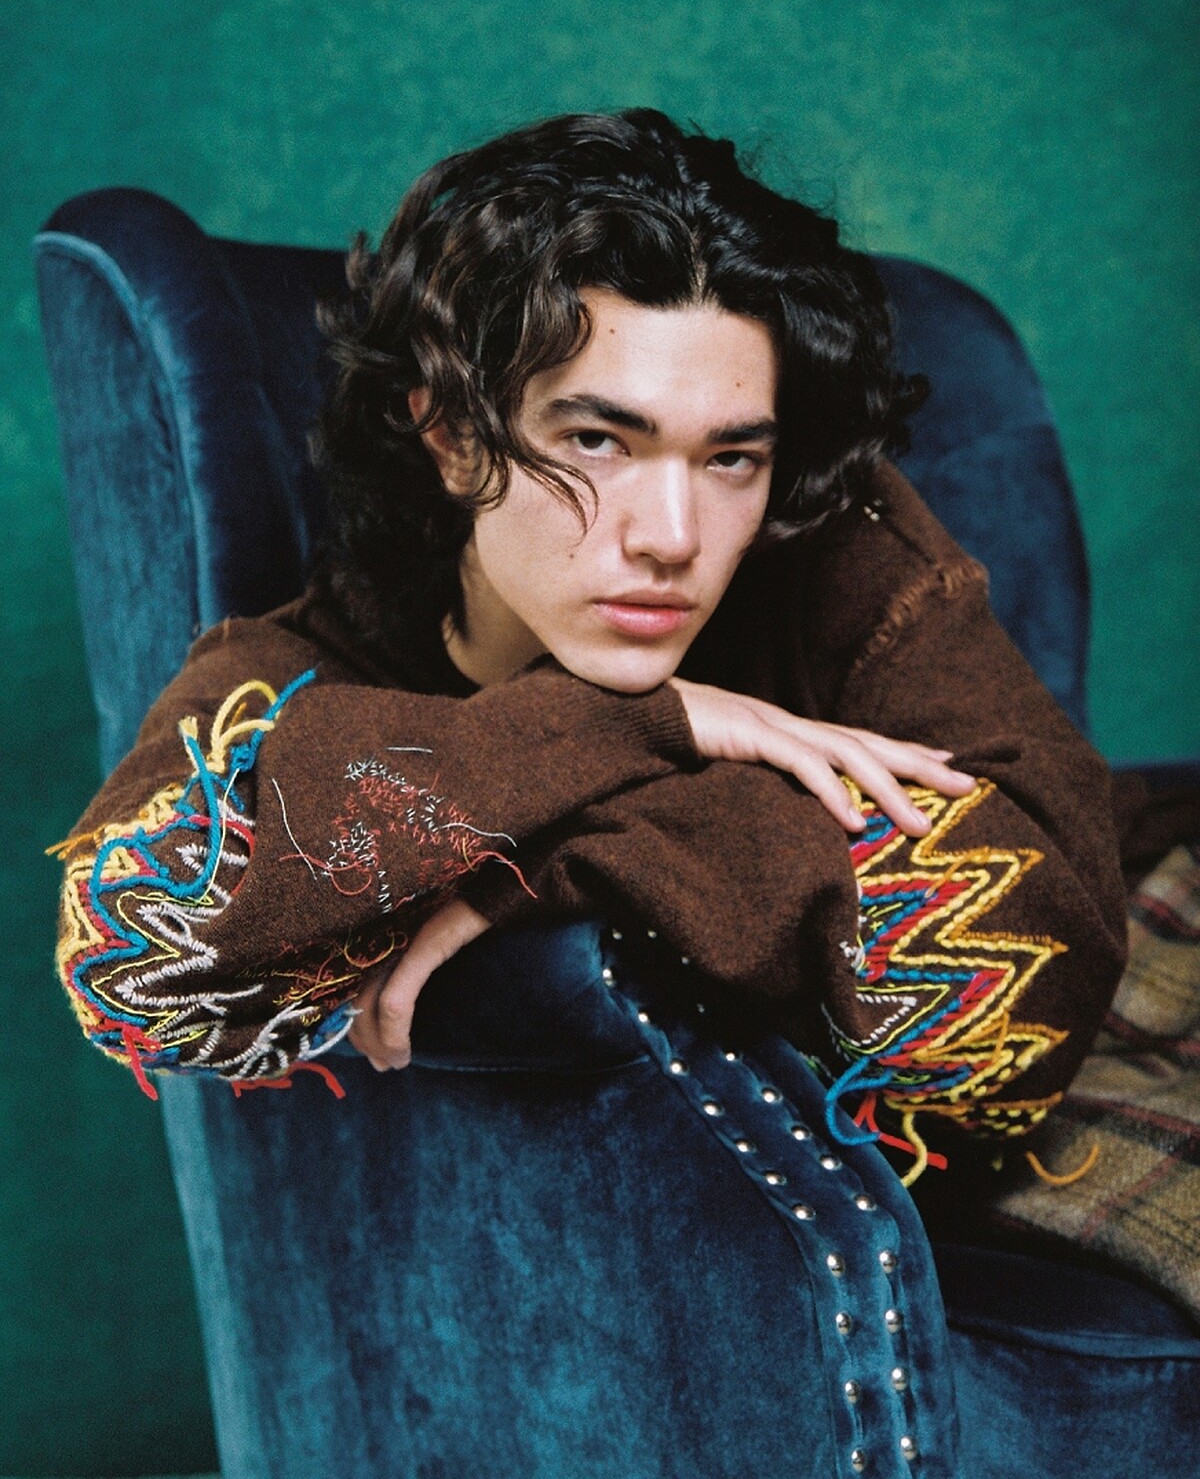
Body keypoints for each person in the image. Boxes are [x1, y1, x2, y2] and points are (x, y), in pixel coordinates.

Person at [54, 109, 1126, 1174]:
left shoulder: (840, 547)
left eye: (731, 459)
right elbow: (132, 960)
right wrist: (629, 723)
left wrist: (561, 857)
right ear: (453, 435)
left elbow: (1035, 988)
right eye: (598, 440)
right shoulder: (314, 657)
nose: (673, 537)